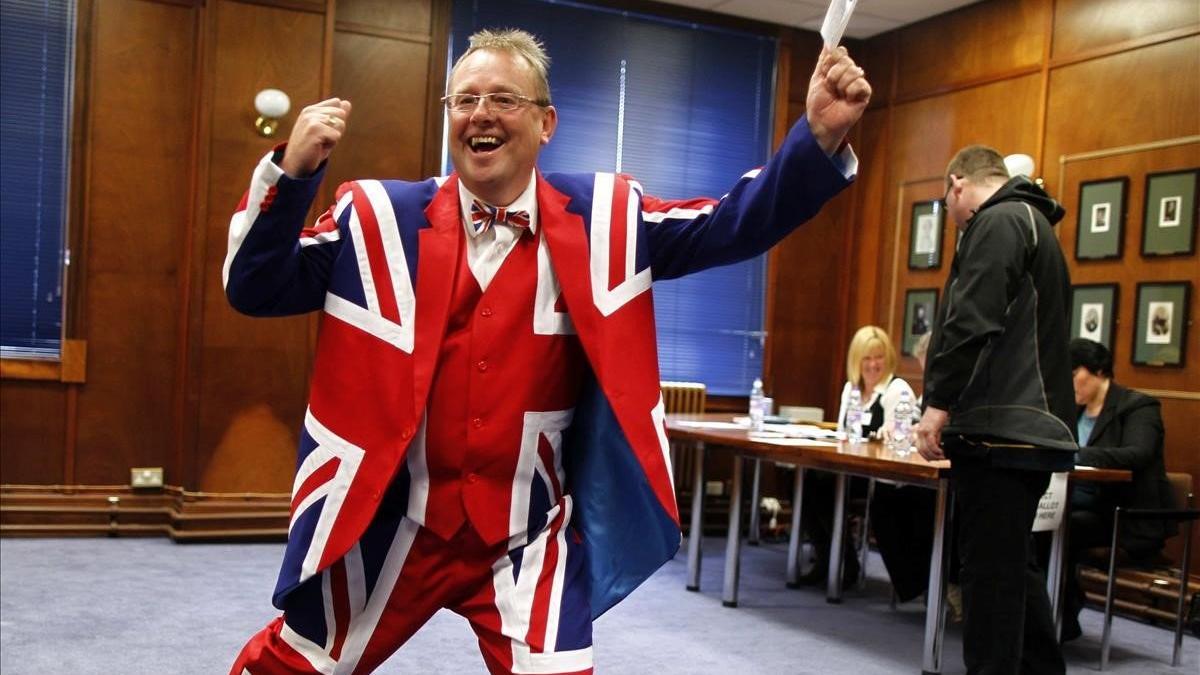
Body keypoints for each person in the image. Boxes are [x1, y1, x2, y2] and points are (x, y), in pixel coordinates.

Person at [223, 28, 871, 674]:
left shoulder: (606, 219)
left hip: (530, 535)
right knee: (291, 667)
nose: (481, 113)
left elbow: (731, 221)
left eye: (504, 98)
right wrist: (293, 171)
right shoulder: (377, 219)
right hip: (398, 522)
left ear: (546, 121)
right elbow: (256, 284)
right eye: (465, 99)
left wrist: (815, 139)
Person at [915, 144, 1076, 675]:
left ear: (958, 183)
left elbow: (972, 321)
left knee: (988, 581)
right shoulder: (1031, 220)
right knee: (1012, 573)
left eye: (946, 198)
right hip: (1024, 429)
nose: (949, 213)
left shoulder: (1000, 219)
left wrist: (937, 406)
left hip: (1001, 430)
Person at [1054, 338, 1175, 641]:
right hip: (1079, 505)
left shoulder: (1138, 406)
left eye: (1072, 374)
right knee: (1035, 520)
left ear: (1098, 370)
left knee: (1057, 527)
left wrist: (1074, 452)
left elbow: (1138, 454)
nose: (1069, 384)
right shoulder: (1072, 410)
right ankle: (1048, 615)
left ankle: (1059, 616)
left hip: (1124, 516)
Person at [799, 326, 911, 586]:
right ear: (856, 361)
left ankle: (846, 563)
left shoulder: (896, 390)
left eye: (879, 357)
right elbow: (842, 433)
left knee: (823, 488)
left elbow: (897, 437)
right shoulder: (851, 389)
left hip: (881, 478)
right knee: (805, 481)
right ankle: (827, 557)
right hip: (848, 468)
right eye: (867, 358)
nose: (873, 365)